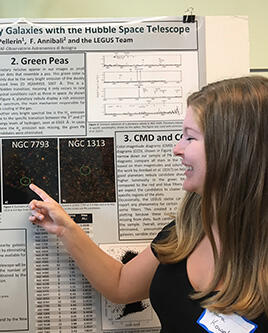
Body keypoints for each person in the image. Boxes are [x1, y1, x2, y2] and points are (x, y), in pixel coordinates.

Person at [28, 76, 268, 332]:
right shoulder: (184, 233)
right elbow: (121, 285)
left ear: (232, 149)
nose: (177, 149)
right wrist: (66, 229)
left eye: (190, 138)